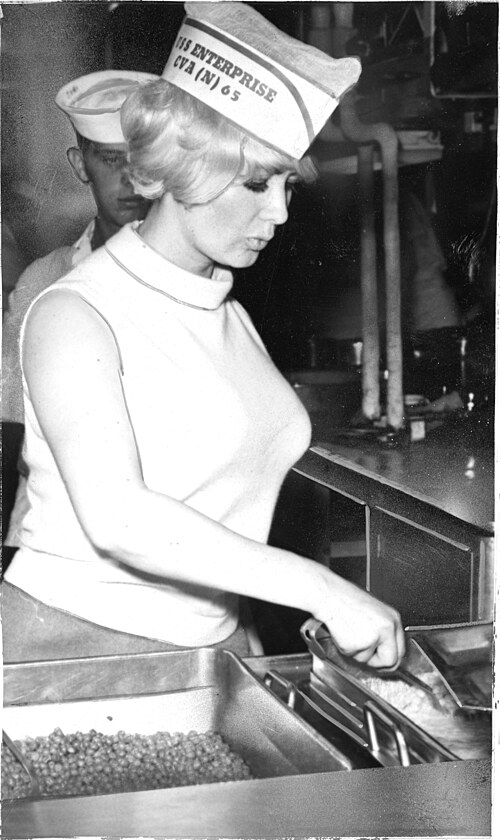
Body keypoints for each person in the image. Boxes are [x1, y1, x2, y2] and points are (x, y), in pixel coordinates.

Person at [3, 2, 405, 669]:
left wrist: (238, 638)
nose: (279, 212)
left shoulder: (228, 312)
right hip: (76, 650)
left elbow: (222, 514)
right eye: (256, 183)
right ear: (185, 167)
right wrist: (322, 588)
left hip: (206, 647)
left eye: (287, 185)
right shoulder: (74, 311)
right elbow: (120, 518)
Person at [2, 70, 157, 554]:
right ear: (80, 164)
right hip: (55, 543)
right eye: (111, 160)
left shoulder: (201, 281)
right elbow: (11, 430)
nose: (130, 179)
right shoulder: (43, 283)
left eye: (142, 160)